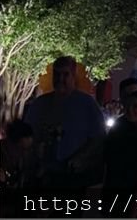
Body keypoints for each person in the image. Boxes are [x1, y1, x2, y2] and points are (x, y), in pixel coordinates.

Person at [23, 56, 106, 188]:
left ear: (73, 76)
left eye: (65, 74)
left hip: (76, 175)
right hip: (44, 174)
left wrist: (81, 158)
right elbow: (27, 135)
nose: (60, 79)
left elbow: (98, 137)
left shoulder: (87, 104)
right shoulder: (40, 104)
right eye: (57, 74)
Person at [1, 119, 36, 189]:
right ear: (21, 138)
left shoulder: (19, 153)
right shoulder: (2, 150)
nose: (31, 140)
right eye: (28, 137)